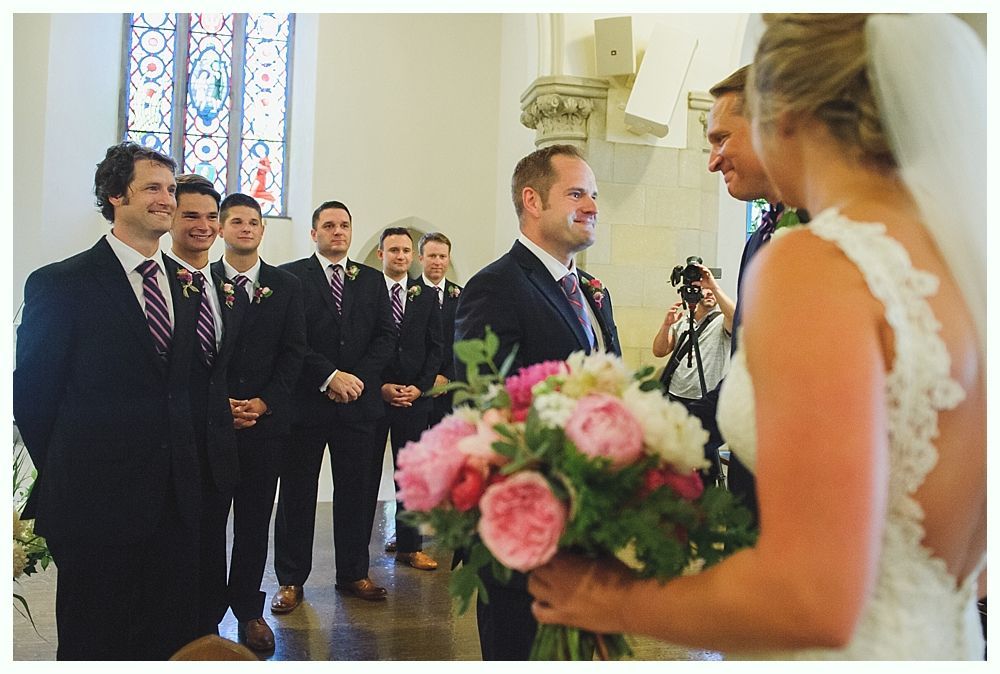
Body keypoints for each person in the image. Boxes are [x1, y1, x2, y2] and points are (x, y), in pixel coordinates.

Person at [528, 13, 985, 659]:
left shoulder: (816, 264)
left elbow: (809, 601)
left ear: (786, 110)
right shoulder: (961, 263)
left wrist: (604, 597)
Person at [13, 142, 205, 659]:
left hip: (175, 503)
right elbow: (32, 394)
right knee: (94, 640)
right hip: (94, 502)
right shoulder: (62, 283)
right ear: (116, 195)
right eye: (152, 188)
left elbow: (185, 389)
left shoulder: (187, 286)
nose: (167, 199)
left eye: (170, 188)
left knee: (166, 639)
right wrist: (77, 468)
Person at [455, 144, 621, 660]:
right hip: (524, 521)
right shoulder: (496, 286)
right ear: (532, 200)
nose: (592, 205)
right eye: (576, 194)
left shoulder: (592, 291)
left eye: (594, 194)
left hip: (585, 516)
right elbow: (489, 407)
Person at [272, 200, 397, 609]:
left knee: (357, 494)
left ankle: (354, 574)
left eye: (344, 225)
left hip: (357, 406)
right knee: (297, 495)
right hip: (307, 404)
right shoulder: (291, 278)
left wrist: (355, 378)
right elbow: (291, 341)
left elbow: (385, 337)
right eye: (329, 225)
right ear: (314, 233)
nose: (338, 231)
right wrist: (329, 376)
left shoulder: (371, 281)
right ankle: (290, 580)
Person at [705, 63, 806, 523]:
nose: (713, 160)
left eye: (721, 138)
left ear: (772, 126)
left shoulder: (827, 235)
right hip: (752, 485)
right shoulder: (759, 237)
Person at [212, 193, 307, 650]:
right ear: (221, 229)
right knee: (209, 522)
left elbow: (294, 353)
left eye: (253, 221)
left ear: (262, 231)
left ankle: (249, 611)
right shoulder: (201, 281)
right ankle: (206, 613)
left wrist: (264, 402)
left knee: (253, 523)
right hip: (214, 425)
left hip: (265, 426)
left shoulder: (285, 286)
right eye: (236, 221)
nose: (245, 228)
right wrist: (220, 405)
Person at [165, 174, 246, 640]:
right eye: (190, 214)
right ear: (170, 217)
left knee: (210, 552)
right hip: (170, 450)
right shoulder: (159, 284)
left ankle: (207, 635)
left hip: (217, 448)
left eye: (210, 216)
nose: (202, 225)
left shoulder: (219, 284)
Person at [371, 227, 444, 571]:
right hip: (374, 397)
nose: (399, 256)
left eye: (405, 251)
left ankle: (410, 547)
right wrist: (380, 385)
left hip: (416, 398)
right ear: (380, 255)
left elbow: (435, 348)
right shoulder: (368, 294)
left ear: (413, 257)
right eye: (393, 250)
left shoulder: (426, 296)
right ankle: (358, 559)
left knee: (411, 476)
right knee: (365, 477)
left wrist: (420, 386)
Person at [652, 265, 734, 485]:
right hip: (675, 400)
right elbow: (659, 351)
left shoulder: (720, 322)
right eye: (703, 291)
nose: (707, 294)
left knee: (702, 471)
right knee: (675, 468)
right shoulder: (683, 322)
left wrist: (713, 286)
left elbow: (737, 318)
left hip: (705, 402)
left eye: (711, 293)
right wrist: (667, 324)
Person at [418, 231, 463, 429]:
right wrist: (427, 379)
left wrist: (447, 376)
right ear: (421, 258)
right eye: (432, 256)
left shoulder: (462, 295)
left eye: (442, 256)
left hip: (449, 388)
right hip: (417, 388)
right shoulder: (409, 293)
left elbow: (463, 341)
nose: (437, 261)